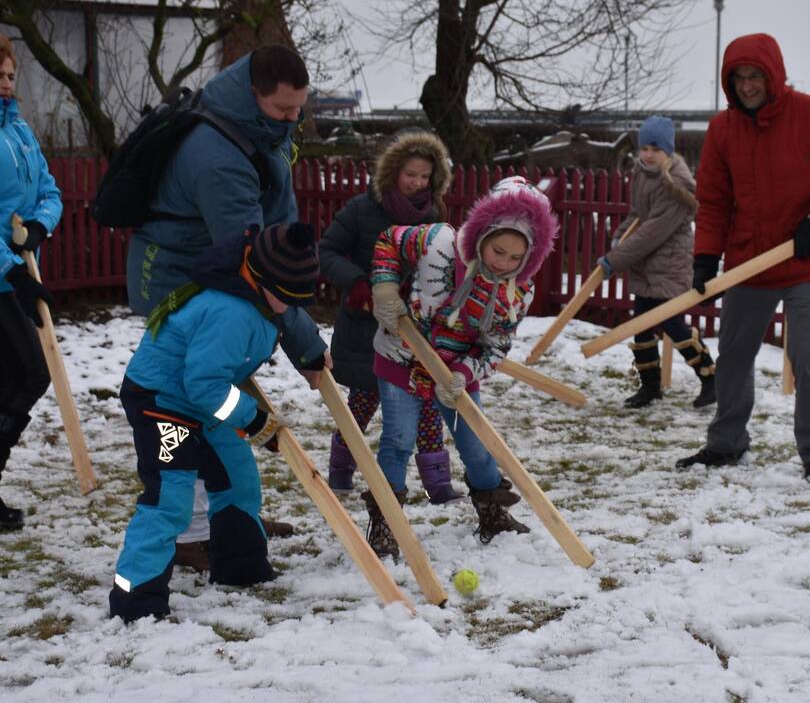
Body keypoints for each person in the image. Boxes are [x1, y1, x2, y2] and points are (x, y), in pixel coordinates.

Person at [124, 45, 324, 568]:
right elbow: (260, 265)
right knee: (188, 405)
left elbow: (275, 237)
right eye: (283, 109)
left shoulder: (259, 127)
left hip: (223, 276)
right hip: (180, 282)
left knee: (214, 404)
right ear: (253, 94)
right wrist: (304, 344)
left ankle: (234, 517)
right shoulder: (215, 157)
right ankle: (189, 532)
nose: (292, 118)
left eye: (298, 107)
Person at [676, 33, 810, 483]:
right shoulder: (723, 130)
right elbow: (714, 201)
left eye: (755, 76)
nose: (747, 86)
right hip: (751, 262)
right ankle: (726, 444)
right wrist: (706, 256)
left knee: (807, 356)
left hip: (808, 261)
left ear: (774, 75)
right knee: (733, 356)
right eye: (738, 78)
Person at [109, 222, 319, 622]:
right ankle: (135, 600)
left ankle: (240, 567)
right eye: (285, 297)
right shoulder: (231, 312)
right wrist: (254, 420)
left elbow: (216, 380)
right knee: (170, 497)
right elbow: (203, 384)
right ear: (259, 279)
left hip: (200, 402)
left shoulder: (256, 302)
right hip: (162, 402)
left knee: (237, 476)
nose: (287, 306)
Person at [364, 176, 557, 558]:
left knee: (478, 445)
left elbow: (495, 345)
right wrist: (384, 287)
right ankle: (387, 521)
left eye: (515, 257)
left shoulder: (519, 290)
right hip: (403, 357)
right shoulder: (437, 242)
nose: (503, 262)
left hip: (455, 374)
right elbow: (389, 240)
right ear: (483, 233)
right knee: (398, 440)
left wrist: (462, 375)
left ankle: (492, 512)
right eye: (497, 250)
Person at [318, 131, 461, 502]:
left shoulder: (433, 215)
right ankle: (341, 471)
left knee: (426, 402)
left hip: (414, 330)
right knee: (363, 402)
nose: (417, 182)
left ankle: (439, 484)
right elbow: (328, 252)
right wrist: (358, 284)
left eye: (425, 176)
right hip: (365, 325)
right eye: (410, 174)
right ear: (393, 172)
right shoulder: (361, 209)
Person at [596, 115, 716, 410]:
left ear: (668, 151)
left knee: (672, 324)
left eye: (655, 149)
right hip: (646, 264)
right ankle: (650, 388)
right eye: (644, 148)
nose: (648, 154)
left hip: (668, 264)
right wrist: (619, 237)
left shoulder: (675, 184)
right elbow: (638, 216)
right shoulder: (642, 173)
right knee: (642, 326)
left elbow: (653, 232)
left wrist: (616, 259)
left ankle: (711, 378)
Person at [0, 35, 62, 530]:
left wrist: (40, 225)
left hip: (18, 273)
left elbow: (49, 190)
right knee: (31, 374)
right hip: (4, 279)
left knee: (12, 380)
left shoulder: (19, 130)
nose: (5, 85)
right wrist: (11, 269)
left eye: (9, 76)